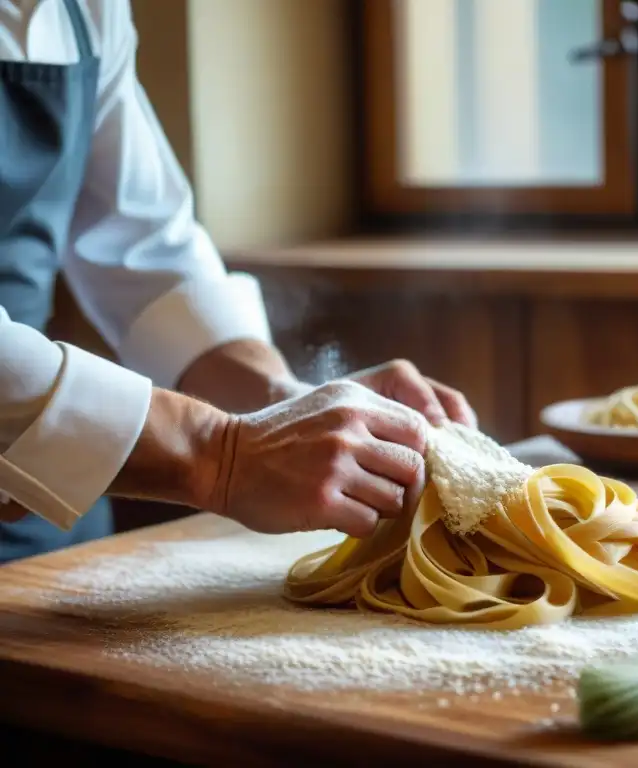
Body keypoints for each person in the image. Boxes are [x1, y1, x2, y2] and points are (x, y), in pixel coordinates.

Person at [0, 0, 476, 564]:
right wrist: (218, 454)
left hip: (49, 528)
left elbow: (145, 251)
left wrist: (281, 402)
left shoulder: (86, 10)